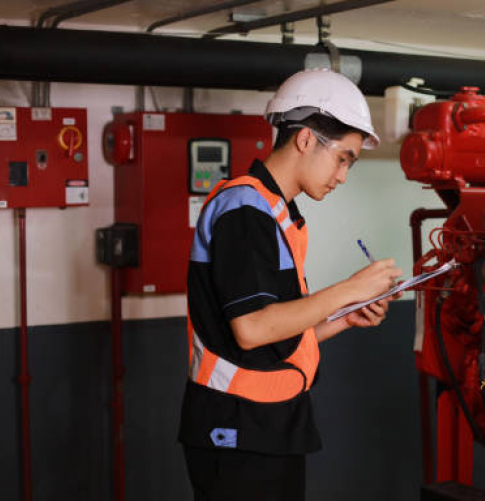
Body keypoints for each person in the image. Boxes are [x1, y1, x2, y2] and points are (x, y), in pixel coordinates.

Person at [178, 69, 402, 500]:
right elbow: (252, 328)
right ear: (305, 139)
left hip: (267, 425)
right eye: (344, 158)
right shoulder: (244, 210)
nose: (342, 176)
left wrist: (343, 318)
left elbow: (274, 336)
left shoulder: (276, 213)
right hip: (236, 429)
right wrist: (349, 289)